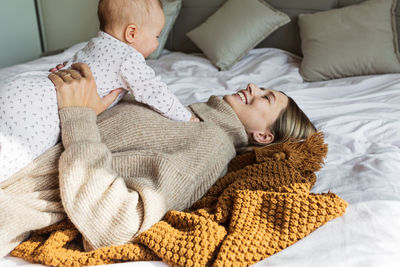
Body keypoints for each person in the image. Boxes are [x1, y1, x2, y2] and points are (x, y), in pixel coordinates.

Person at [0, 63, 316, 257]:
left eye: (266, 97)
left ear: (263, 136)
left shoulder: (209, 146)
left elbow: (120, 224)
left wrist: (77, 115)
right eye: (262, 88)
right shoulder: (184, 115)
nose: (253, 88)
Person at [0, 0, 196, 183]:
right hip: (49, 106)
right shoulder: (128, 57)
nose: (156, 43)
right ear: (132, 33)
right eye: (156, 36)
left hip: (30, 86)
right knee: (15, 152)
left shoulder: (93, 44)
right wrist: (186, 117)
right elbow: (155, 91)